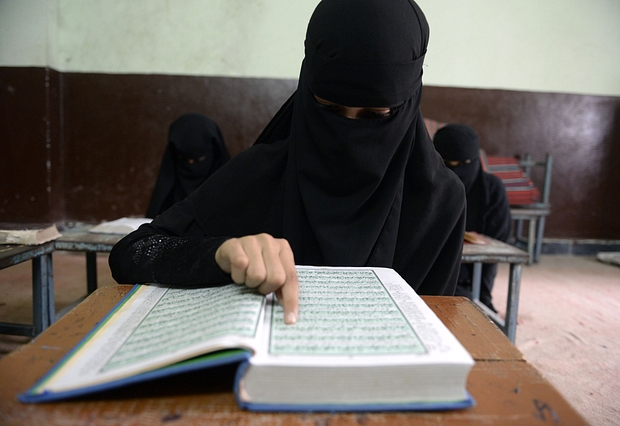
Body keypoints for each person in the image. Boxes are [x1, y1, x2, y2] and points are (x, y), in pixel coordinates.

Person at [109, 0, 466, 325]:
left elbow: (434, 324)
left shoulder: (439, 202)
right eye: (328, 109)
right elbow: (133, 252)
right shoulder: (261, 172)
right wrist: (220, 254)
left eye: (375, 116)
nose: (348, 135)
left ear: (408, 102)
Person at [433, 124, 512, 311]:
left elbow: (493, 249)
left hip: (470, 276)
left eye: (463, 164)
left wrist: (483, 297)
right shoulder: (422, 185)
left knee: (474, 309)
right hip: (431, 270)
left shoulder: (491, 190)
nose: (456, 173)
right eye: (446, 164)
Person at [146, 113, 230, 218]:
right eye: (184, 160)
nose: (191, 166)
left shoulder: (229, 191)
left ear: (214, 152)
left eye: (199, 160)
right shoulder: (165, 198)